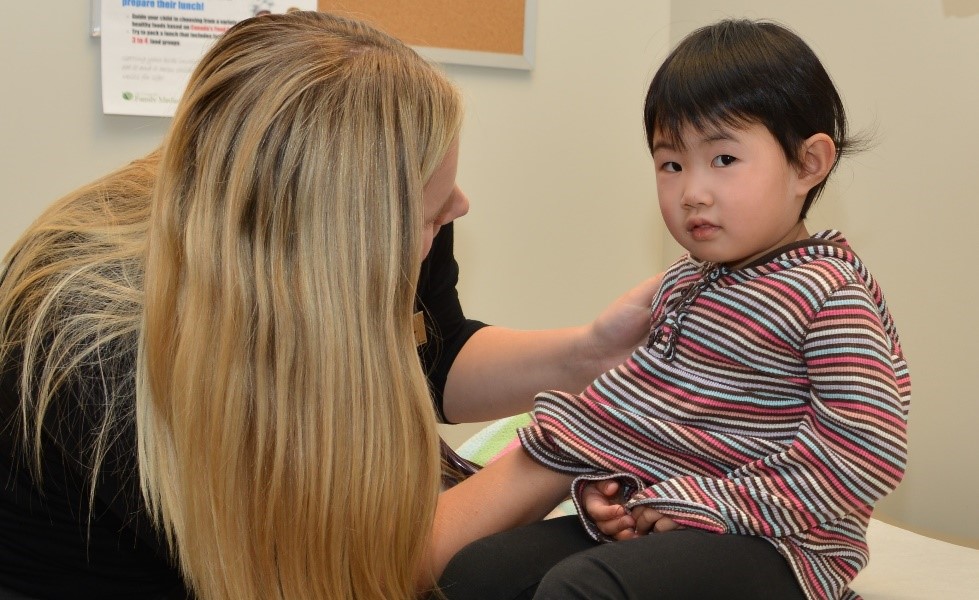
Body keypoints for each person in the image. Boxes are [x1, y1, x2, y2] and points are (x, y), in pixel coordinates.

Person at [0, 10, 653, 600]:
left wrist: (589, 356)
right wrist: (566, 443)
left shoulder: (325, 224)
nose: (457, 207)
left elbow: (435, 349)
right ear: (338, 247)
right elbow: (346, 571)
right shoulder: (97, 356)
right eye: (429, 213)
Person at [439, 18, 910, 600]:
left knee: (581, 590)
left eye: (724, 160)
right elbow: (650, 414)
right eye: (671, 164)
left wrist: (711, 503)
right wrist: (604, 486)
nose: (692, 191)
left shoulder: (828, 292)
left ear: (807, 164)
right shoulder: (683, 284)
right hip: (664, 520)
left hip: (781, 544)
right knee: (473, 572)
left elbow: (867, 451)